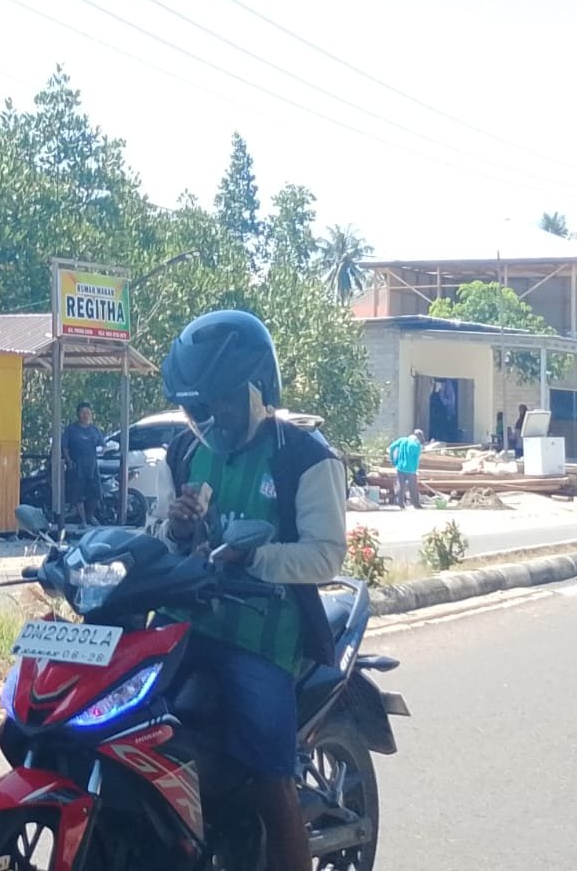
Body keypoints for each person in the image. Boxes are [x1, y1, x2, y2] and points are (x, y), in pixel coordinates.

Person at [156, 309, 348, 871]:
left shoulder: (304, 455)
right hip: (188, 621)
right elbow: (168, 541)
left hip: (263, 636)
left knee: (270, 775)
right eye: (199, 405)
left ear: (258, 390)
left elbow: (326, 555)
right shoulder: (187, 451)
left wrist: (254, 557)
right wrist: (179, 528)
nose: (210, 415)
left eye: (222, 401)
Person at [61, 401, 106, 526]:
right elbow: (65, 447)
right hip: (77, 464)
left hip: (92, 464)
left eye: (88, 413)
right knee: (78, 493)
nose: (85, 415)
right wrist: (68, 460)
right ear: (78, 414)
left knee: (96, 492)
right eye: (83, 413)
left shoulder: (94, 429)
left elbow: (103, 444)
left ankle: (90, 516)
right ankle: (82, 520)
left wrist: (103, 449)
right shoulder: (71, 429)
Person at [388, 428, 425, 509]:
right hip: (411, 469)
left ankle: (400, 504)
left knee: (401, 486)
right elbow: (416, 458)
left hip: (400, 467)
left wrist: (392, 460)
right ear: (418, 437)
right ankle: (416, 504)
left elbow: (391, 447)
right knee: (413, 487)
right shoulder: (417, 445)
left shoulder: (402, 440)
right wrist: (416, 470)